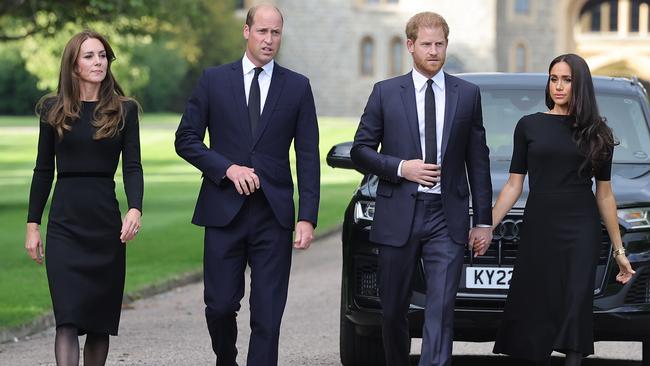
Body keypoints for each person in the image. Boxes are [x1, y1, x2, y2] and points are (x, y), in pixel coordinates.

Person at [174, 4, 319, 366]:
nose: (269, 40)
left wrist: (308, 217)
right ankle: (226, 357)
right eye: (262, 32)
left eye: (276, 33)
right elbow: (186, 139)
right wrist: (227, 169)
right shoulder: (213, 80)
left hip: (274, 215)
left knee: (268, 316)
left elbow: (308, 156)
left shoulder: (298, 87)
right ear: (247, 31)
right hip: (223, 211)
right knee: (220, 306)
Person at [350, 11, 493, 366]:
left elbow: (478, 160)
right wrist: (402, 168)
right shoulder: (385, 93)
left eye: (440, 44)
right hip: (398, 212)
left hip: (447, 216)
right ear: (410, 46)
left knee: (441, 308)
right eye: (426, 44)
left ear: (447, 44)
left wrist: (484, 221)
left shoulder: (467, 94)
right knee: (393, 308)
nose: (434, 51)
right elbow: (360, 151)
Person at [490, 53, 635, 366]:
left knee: (575, 303)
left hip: (580, 228)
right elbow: (514, 186)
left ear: (579, 84)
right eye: (554, 78)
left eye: (567, 80)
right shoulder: (528, 126)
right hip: (539, 224)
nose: (558, 86)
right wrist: (486, 225)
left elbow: (605, 195)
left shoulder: (599, 133)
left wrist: (619, 251)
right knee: (536, 302)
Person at [24, 30, 143, 366]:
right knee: (68, 318)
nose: (98, 62)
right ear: (73, 65)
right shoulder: (52, 109)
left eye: (102, 55)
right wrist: (33, 225)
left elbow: (132, 167)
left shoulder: (124, 110)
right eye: (89, 56)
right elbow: (43, 170)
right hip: (65, 224)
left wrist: (135, 207)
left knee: (99, 322)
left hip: (105, 225)